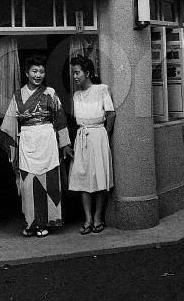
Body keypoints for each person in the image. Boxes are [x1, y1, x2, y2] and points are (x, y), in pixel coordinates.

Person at [0, 54, 73, 238]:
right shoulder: (18, 96)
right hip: (27, 141)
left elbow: (60, 120)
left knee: (49, 182)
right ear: (26, 73)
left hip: (47, 140)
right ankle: (31, 223)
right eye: (34, 71)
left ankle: (45, 223)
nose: (38, 75)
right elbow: (8, 122)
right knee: (29, 185)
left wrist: (65, 144)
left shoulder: (51, 93)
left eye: (41, 71)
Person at [68, 55, 115, 235]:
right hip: (82, 137)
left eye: (77, 73)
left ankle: (98, 217)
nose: (75, 76)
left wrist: (105, 134)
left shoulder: (101, 90)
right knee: (83, 177)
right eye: (73, 73)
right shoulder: (76, 95)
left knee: (99, 176)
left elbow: (111, 114)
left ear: (87, 73)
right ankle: (87, 219)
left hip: (98, 136)